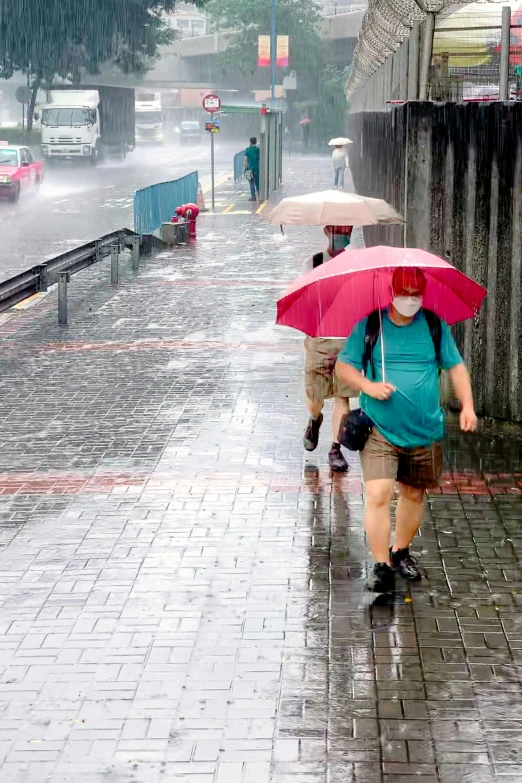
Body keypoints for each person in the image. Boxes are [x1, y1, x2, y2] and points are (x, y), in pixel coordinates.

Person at [336, 267, 477, 592]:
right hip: (380, 430)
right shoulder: (371, 325)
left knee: (413, 494)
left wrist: (467, 405)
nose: (410, 300)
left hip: (424, 429)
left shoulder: (433, 326)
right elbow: (344, 366)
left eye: (416, 294)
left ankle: (400, 551)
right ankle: (381, 565)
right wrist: (367, 386)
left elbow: (455, 367)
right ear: (393, 292)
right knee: (378, 493)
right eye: (405, 293)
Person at [303, 225, 356, 472]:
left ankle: (336, 449)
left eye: (346, 229)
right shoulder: (313, 262)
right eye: (337, 229)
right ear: (326, 231)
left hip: (348, 342)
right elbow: (304, 300)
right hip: (320, 340)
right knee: (315, 399)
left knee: (342, 397)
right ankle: (315, 419)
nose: (342, 233)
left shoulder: (357, 264)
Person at [244, 137, 260, 201]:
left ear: (250, 142)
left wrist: (244, 168)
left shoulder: (247, 149)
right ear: (256, 142)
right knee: (257, 182)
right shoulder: (257, 149)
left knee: (251, 182)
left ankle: (253, 196)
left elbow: (245, 159)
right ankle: (260, 194)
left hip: (249, 168)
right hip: (256, 168)